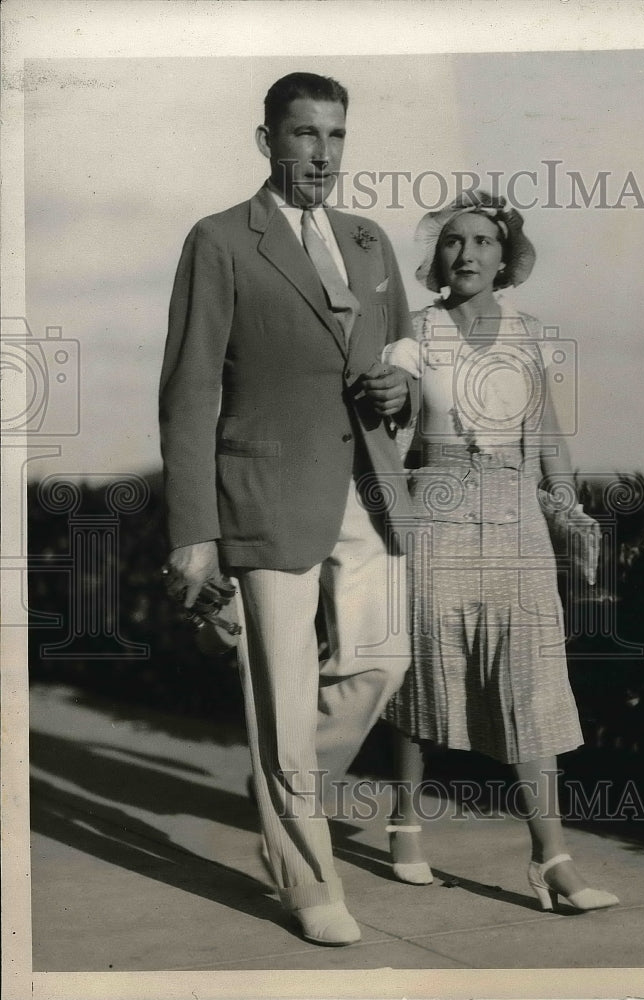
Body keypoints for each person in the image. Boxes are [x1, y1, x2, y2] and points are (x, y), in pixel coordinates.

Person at [159, 72, 415, 945]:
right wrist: (194, 528)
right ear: (266, 139)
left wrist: (398, 386)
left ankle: (279, 778)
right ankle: (308, 878)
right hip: (264, 490)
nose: (322, 153)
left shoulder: (370, 241)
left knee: (383, 662)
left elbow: (398, 353)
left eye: (336, 136)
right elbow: (189, 389)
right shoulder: (223, 240)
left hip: (367, 489)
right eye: (304, 135)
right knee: (283, 684)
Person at [382, 190, 619, 912]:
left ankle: (552, 859)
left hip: (516, 515)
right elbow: (391, 437)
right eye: (455, 242)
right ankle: (404, 825)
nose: (469, 254)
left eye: (484, 242)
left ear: (504, 257)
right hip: (436, 509)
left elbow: (548, 434)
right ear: (437, 256)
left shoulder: (529, 331)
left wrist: (567, 507)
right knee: (422, 668)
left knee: (528, 679)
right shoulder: (411, 335)